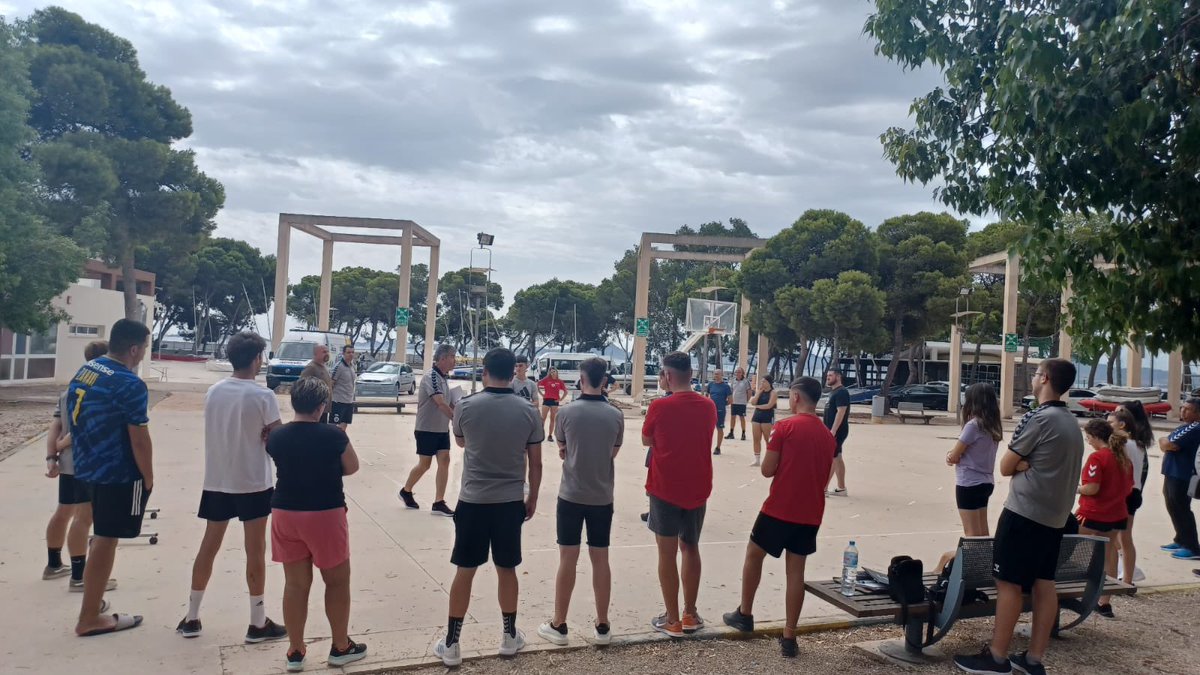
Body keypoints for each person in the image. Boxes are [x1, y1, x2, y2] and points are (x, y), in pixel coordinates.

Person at [953, 358, 1084, 675]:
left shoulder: (1039, 418)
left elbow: (1006, 466)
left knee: (1008, 582)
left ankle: (997, 656)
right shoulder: (1071, 422)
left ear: (1045, 378)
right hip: (1055, 517)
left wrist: (1023, 465)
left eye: (1037, 373)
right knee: (1044, 583)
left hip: (1025, 513)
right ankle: (1033, 659)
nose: (1034, 378)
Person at [434, 348, 543, 666]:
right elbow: (536, 462)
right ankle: (509, 636)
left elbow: (461, 440)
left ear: (484, 373)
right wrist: (533, 497)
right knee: (507, 568)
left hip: (473, 500)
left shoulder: (465, 406)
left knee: (465, 570)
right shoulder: (528, 410)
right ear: (513, 374)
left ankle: (452, 643)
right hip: (509, 501)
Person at [178, 331, 287, 642]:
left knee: (208, 546)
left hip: (217, 479)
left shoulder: (214, 391)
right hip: (253, 481)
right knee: (255, 550)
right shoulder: (263, 396)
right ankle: (257, 621)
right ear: (256, 359)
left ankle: (192, 616)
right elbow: (277, 438)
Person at [722, 376, 835, 658]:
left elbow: (767, 470)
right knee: (796, 571)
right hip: (811, 512)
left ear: (795, 397)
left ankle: (745, 613)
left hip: (780, 508)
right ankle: (789, 635)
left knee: (754, 554)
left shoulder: (784, 427)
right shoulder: (827, 435)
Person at [267, 377, 366, 671]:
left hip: (285, 513)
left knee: (295, 584)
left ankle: (295, 650)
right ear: (322, 406)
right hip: (325, 514)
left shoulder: (277, 436)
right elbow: (352, 466)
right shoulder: (334, 435)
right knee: (336, 581)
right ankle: (340, 646)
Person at [69, 319, 154, 636]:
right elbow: (139, 439)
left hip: (85, 465)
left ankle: (93, 599)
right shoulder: (129, 384)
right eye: (144, 348)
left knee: (99, 533)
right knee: (107, 539)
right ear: (133, 349)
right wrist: (148, 477)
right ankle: (89, 617)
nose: (143, 353)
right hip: (115, 473)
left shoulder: (88, 370)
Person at [537, 357, 623, 647]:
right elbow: (613, 451)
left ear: (582, 379)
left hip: (571, 495)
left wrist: (569, 452)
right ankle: (603, 624)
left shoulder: (566, 412)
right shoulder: (615, 415)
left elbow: (563, 446)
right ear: (604, 381)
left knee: (568, 558)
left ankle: (559, 623)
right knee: (601, 558)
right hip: (602, 496)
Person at [642, 351, 717, 638]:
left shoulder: (660, 406)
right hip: (698, 487)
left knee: (666, 552)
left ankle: (672, 618)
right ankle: (690, 612)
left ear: (668, 375)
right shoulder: (708, 405)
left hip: (665, 487)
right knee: (691, 547)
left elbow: (646, 439)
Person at [43, 340, 108, 588]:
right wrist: (63, 444)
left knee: (64, 511)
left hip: (68, 462)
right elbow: (87, 427)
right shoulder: (99, 389)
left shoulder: (71, 388)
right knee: (84, 517)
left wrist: (52, 456)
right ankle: (80, 576)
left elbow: (56, 426)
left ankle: (54, 564)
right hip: (86, 462)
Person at [1075, 418, 1134, 618]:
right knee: (1109, 554)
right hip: (1117, 513)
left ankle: (1057, 586)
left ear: (1094, 436)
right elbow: (1129, 487)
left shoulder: (1097, 457)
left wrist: (1077, 489)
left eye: (1088, 437)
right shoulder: (1123, 458)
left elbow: (1092, 488)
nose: (1088, 441)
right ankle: (1104, 601)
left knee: (1066, 542)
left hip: (1093, 512)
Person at [399, 344, 457, 517]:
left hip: (441, 429)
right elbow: (440, 403)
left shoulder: (444, 378)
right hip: (427, 428)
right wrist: (456, 420)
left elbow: (449, 402)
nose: (454, 360)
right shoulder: (431, 377)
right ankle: (406, 490)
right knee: (425, 464)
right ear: (442, 358)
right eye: (452, 357)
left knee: (445, 461)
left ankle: (439, 502)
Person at [945, 383, 1003, 536]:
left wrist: (949, 456)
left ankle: (974, 553)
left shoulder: (973, 425)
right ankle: (985, 553)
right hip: (986, 482)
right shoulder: (993, 426)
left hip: (968, 482)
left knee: (971, 533)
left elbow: (955, 456)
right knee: (982, 531)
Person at [1111, 404, 1150, 584]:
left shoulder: (1123, 445)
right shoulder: (1138, 444)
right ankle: (1126, 575)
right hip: (1134, 492)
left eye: (1110, 422)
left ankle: (1125, 577)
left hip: (1125, 493)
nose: (1107, 425)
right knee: (1121, 537)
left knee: (1121, 538)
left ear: (1122, 425)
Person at [1158, 398, 1200, 561]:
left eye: (1187, 409)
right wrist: (1165, 442)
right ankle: (1180, 539)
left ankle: (1192, 547)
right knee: (1173, 507)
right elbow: (1164, 442)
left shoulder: (1195, 427)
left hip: (1182, 474)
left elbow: (1169, 444)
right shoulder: (1185, 426)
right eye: (1182, 408)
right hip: (1172, 472)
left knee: (1182, 509)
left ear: (1197, 413)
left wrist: (1166, 442)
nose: (1183, 411)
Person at [822, 369, 851, 496]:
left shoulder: (842, 392)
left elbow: (841, 412)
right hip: (831, 430)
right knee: (837, 457)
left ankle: (823, 488)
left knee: (832, 458)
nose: (828, 377)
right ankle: (841, 488)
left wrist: (833, 431)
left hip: (837, 431)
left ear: (838, 377)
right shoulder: (833, 392)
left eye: (830, 375)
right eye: (827, 375)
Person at [299, 344, 332, 423]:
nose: (327, 354)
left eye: (327, 352)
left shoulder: (324, 367)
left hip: (323, 409)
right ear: (316, 354)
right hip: (315, 410)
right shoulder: (311, 368)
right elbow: (302, 387)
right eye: (324, 352)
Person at [749, 375, 776, 467]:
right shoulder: (760, 391)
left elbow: (769, 405)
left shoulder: (773, 393)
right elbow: (752, 402)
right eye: (761, 382)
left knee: (767, 439)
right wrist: (758, 393)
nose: (762, 383)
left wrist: (758, 406)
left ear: (769, 383)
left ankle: (770, 460)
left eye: (764, 381)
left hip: (767, 417)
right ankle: (757, 460)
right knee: (756, 439)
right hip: (757, 416)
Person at [328, 344, 357, 430]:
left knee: (344, 424)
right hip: (338, 401)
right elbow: (331, 383)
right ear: (343, 353)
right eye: (348, 352)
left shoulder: (352, 366)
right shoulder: (339, 366)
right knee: (333, 425)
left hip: (349, 401)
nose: (351, 354)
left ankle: (340, 438)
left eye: (352, 352)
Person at [705, 370, 732, 456]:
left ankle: (718, 447)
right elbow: (706, 396)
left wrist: (722, 404)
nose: (716, 375)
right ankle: (706, 446)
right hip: (710, 410)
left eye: (717, 374)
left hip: (720, 410)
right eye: (715, 374)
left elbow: (730, 400)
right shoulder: (710, 385)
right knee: (708, 429)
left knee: (719, 428)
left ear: (722, 375)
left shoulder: (726, 387)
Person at [538, 367, 568, 442]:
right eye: (551, 372)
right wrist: (542, 394)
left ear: (557, 372)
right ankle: (540, 434)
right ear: (549, 373)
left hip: (555, 401)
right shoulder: (546, 379)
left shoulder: (560, 381)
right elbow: (537, 385)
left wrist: (561, 399)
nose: (553, 373)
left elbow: (565, 392)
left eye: (554, 371)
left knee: (552, 419)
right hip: (546, 400)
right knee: (543, 419)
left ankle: (550, 435)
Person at [727, 367, 752, 441]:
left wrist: (746, 400)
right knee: (732, 417)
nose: (737, 373)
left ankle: (743, 434)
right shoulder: (733, 381)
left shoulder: (746, 381)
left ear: (742, 373)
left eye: (739, 372)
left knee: (742, 418)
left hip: (742, 403)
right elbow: (731, 391)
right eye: (736, 372)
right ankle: (731, 433)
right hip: (734, 402)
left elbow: (749, 392)